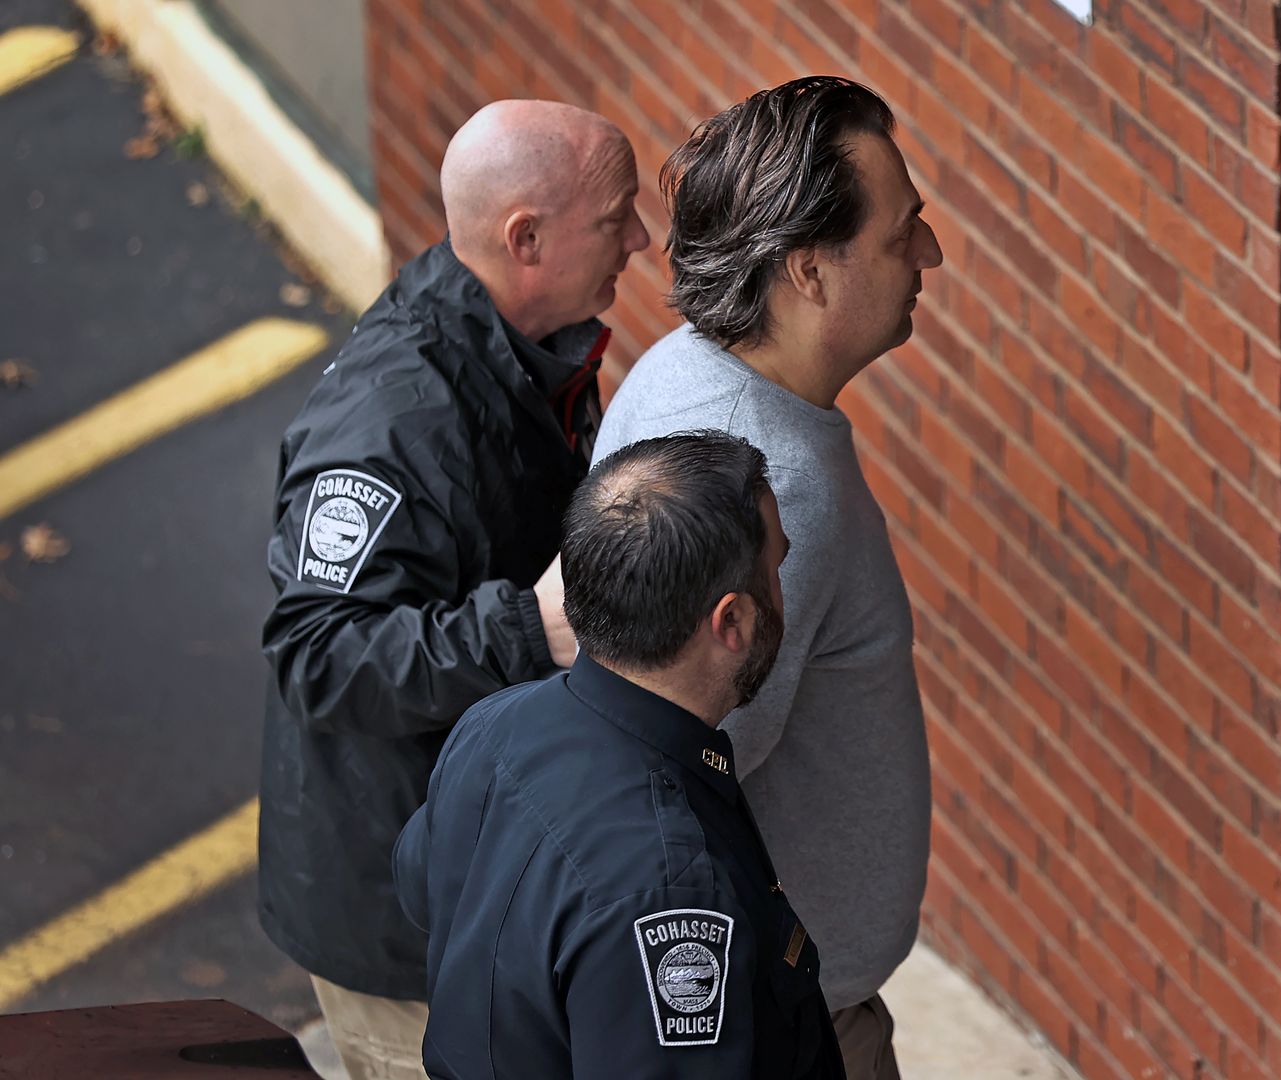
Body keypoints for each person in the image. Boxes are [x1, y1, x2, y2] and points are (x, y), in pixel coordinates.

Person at [258, 99, 651, 1079]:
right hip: (410, 939)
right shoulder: (392, 418)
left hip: (484, 878)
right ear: (527, 238)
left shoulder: (532, 342)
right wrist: (532, 629)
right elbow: (318, 656)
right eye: (617, 218)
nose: (642, 239)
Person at [594, 76, 942, 1078]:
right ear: (810, 274)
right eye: (901, 233)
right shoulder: (774, 495)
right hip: (782, 1028)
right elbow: (684, 778)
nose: (931, 255)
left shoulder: (685, 369)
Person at [392, 431, 844, 1079]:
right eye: (777, 566)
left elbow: (422, 891)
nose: (783, 584)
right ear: (732, 622)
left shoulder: (494, 724)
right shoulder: (670, 892)